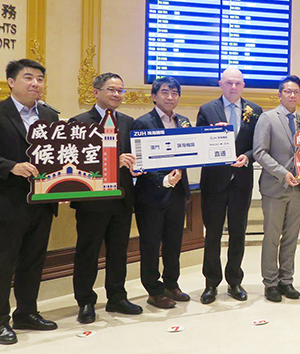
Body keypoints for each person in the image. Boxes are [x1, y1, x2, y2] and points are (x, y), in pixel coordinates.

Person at [0, 59, 59, 345]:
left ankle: (27, 313)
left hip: (42, 202)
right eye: (28, 78)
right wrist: (10, 166)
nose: (35, 84)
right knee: (2, 264)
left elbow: (59, 156)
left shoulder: (50, 115)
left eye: (40, 79)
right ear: (11, 82)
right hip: (7, 203)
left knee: (33, 262)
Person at [70, 72, 142, 324]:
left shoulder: (128, 122)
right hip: (92, 201)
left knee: (118, 251)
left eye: (120, 91)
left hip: (121, 198)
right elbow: (74, 161)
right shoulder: (78, 122)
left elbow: (136, 155)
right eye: (111, 89)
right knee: (87, 252)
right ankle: (86, 301)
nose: (116, 94)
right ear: (95, 92)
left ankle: (117, 296)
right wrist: (113, 160)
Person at [195, 68, 263, 304]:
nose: (233, 87)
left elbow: (259, 145)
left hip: (241, 181)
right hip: (214, 181)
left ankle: (234, 280)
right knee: (212, 234)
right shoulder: (207, 110)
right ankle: (211, 283)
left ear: (243, 85)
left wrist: (247, 156)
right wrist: (211, 135)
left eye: (237, 83)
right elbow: (199, 145)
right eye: (228, 83)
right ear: (220, 84)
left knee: (238, 233)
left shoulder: (254, 111)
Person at [132, 76, 191, 309]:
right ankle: (153, 290)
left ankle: (171, 284)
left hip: (178, 193)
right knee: (150, 243)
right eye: (165, 92)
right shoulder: (143, 123)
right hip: (151, 195)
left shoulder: (184, 121)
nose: (170, 97)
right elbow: (139, 162)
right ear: (154, 96)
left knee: (173, 242)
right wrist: (163, 180)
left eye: (175, 93)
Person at [254, 75, 300, 303]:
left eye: (296, 92)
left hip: (299, 189)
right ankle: (271, 282)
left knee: (291, 237)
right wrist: (282, 173)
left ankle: (287, 279)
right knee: (272, 237)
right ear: (280, 94)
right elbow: (259, 152)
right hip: (275, 187)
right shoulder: (267, 119)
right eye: (288, 91)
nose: (292, 95)